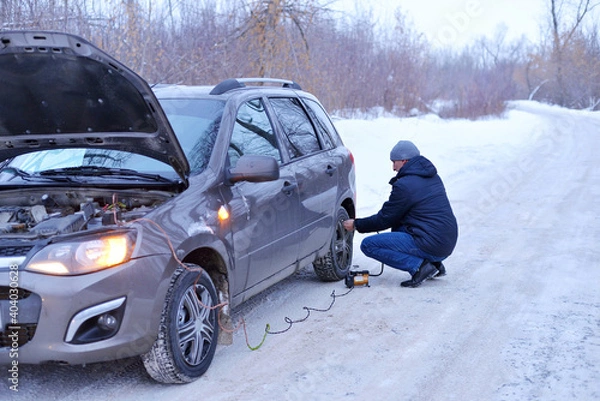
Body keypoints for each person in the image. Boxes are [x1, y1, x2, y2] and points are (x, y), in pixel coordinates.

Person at [343, 140, 458, 288]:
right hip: (446, 242)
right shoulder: (433, 177)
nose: (393, 168)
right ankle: (435, 264)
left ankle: (419, 267)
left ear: (404, 160)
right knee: (398, 227)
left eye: (394, 162)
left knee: (368, 245)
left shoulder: (405, 185)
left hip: (432, 244)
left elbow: (385, 219)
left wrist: (356, 224)